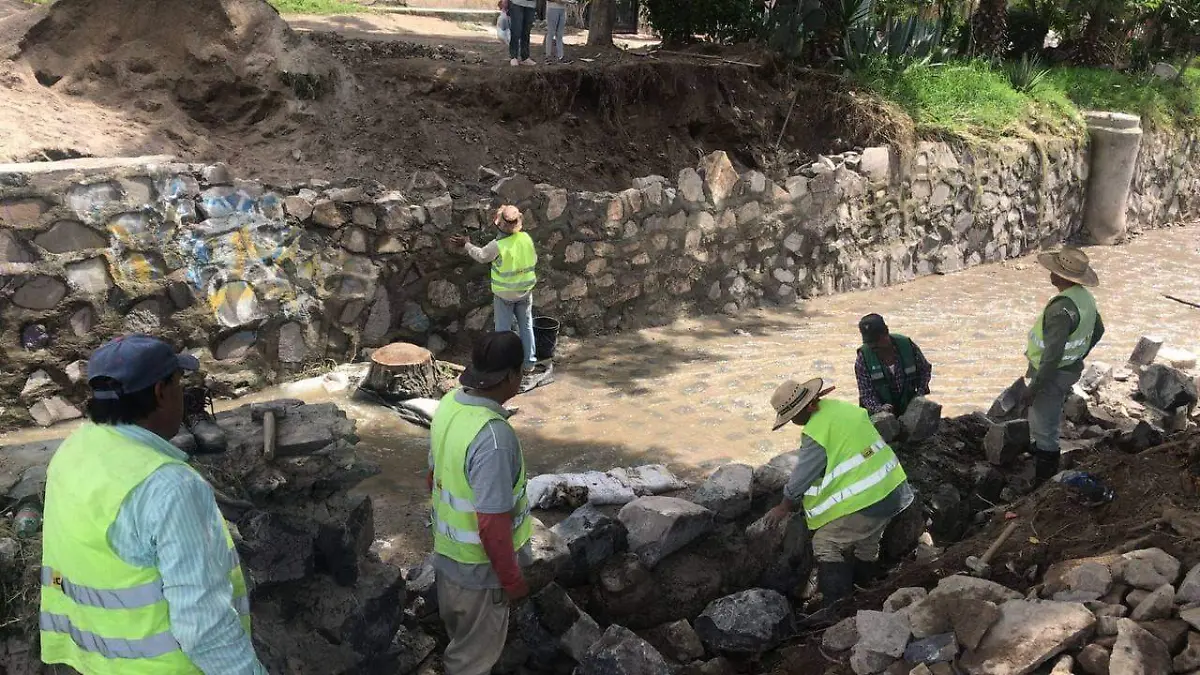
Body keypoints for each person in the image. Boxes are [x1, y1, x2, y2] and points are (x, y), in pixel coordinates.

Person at [40, 334, 264, 674]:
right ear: (161, 392)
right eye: (179, 384)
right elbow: (205, 628)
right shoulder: (170, 487)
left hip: (96, 662)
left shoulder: (73, 451)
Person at [763, 378, 914, 620]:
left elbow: (802, 476)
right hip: (893, 488)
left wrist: (784, 506)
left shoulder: (816, 431)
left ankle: (836, 610)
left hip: (871, 499)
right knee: (867, 542)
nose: (792, 422)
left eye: (791, 417)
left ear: (805, 409)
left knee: (825, 543)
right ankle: (867, 590)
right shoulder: (842, 409)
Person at [428, 331, 533, 675]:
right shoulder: (493, 438)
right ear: (512, 376)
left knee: (461, 647)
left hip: (448, 562)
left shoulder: (449, 405)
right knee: (470, 664)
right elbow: (492, 525)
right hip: (479, 576)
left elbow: (432, 478)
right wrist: (512, 580)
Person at [1025, 247, 1104, 484]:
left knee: (1045, 426)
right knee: (1044, 416)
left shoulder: (1060, 310)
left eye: (1054, 270)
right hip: (1068, 369)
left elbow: (1051, 356)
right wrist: (1079, 354)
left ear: (1062, 277)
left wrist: (1035, 387)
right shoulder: (1084, 298)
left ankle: (1044, 481)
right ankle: (1040, 452)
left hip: (1052, 374)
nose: (1050, 273)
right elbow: (1099, 330)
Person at [449, 205, 539, 375]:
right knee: (526, 326)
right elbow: (533, 258)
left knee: (503, 331)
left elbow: (482, 256)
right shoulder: (526, 238)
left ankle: (503, 366)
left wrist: (466, 244)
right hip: (525, 290)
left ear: (499, 224)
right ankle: (529, 363)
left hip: (504, 294)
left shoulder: (497, 245)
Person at [854, 314, 932, 416]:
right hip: (879, 416)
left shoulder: (907, 346)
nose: (873, 345)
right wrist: (879, 409)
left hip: (909, 409)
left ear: (886, 332)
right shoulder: (863, 358)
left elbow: (925, 370)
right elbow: (866, 394)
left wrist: (919, 395)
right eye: (869, 342)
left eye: (876, 340)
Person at [500, 0, 537, 66]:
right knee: (516, 30)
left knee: (526, 32)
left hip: (531, 4)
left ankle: (525, 57)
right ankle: (513, 56)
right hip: (516, 3)